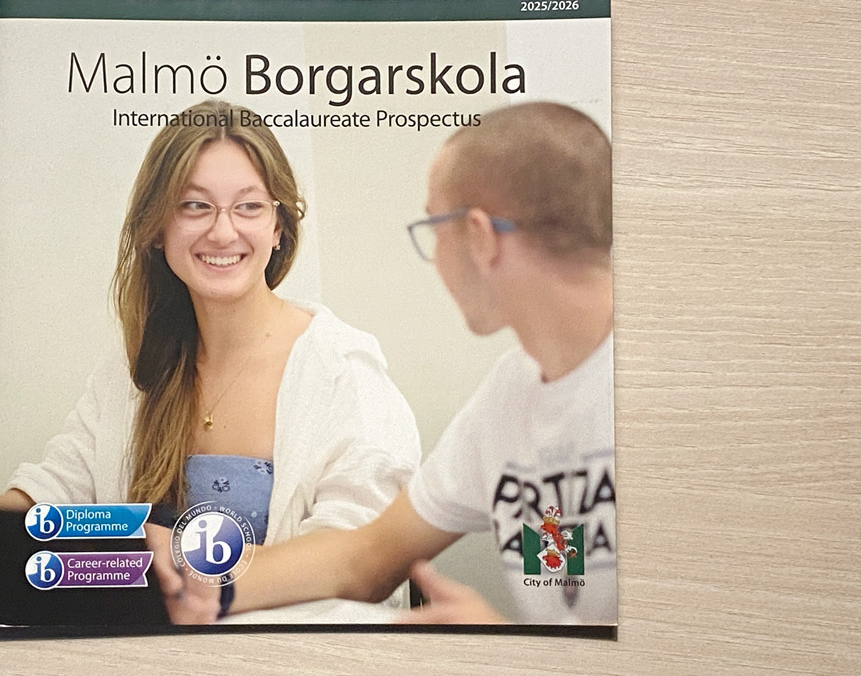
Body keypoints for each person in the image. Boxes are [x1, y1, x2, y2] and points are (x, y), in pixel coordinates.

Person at [156, 100, 616, 625]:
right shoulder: (511, 395)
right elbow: (367, 557)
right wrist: (199, 585)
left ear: (480, 238)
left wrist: (496, 640)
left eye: (436, 229)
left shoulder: (661, 393)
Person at [0, 100, 421, 619]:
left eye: (249, 206)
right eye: (195, 205)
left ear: (279, 227)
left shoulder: (344, 372)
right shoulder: (132, 371)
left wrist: (181, 561)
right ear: (156, 228)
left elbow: (355, 563)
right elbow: (52, 495)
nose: (222, 232)